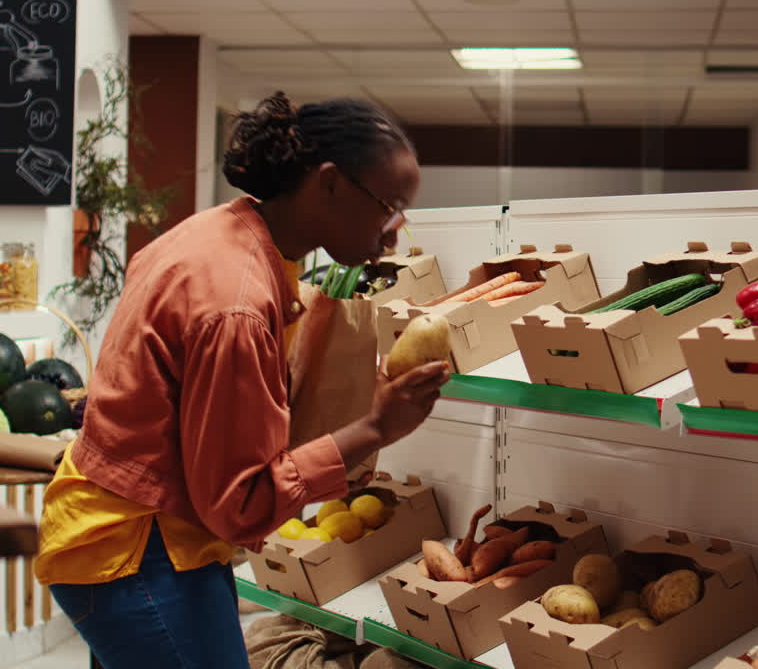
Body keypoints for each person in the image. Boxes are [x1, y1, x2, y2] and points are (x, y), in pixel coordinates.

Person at [34, 92, 449, 668]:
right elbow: (238, 503)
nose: (393, 234)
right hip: (142, 551)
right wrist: (377, 427)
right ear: (329, 183)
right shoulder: (238, 304)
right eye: (388, 207)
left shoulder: (218, 233)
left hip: (107, 528)